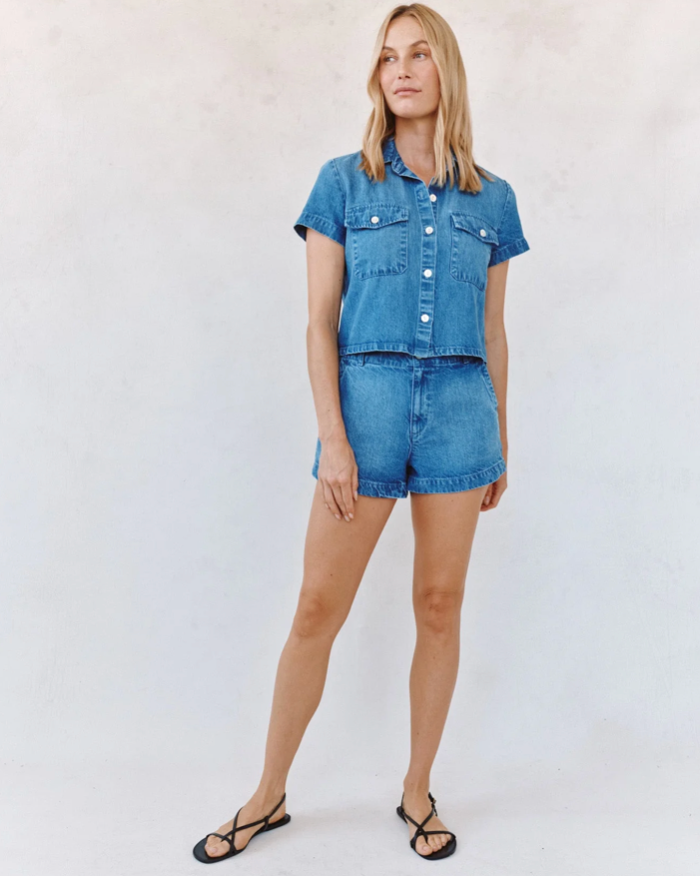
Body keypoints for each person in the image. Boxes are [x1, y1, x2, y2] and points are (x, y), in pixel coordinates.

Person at [192, 2, 529, 864]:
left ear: (447, 69)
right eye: (387, 57)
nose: (401, 70)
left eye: (418, 54)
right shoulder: (342, 183)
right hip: (366, 406)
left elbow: (495, 332)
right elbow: (317, 323)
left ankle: (417, 792)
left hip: (461, 411)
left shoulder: (493, 198)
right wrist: (333, 439)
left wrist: (499, 435)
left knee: (440, 606)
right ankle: (267, 795)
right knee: (316, 608)